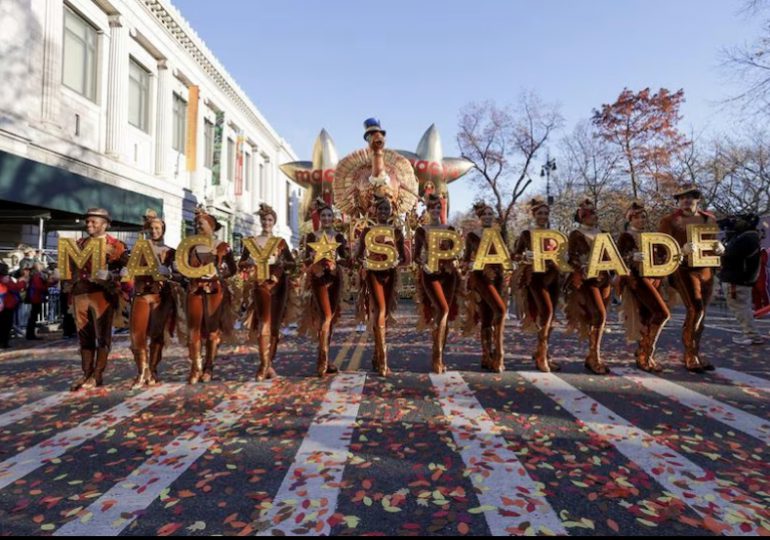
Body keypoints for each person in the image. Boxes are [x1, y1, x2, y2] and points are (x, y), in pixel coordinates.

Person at [659, 183, 725, 372]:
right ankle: (690, 355)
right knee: (695, 308)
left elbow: (713, 243)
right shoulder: (669, 220)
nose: (686, 200)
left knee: (701, 312)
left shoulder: (709, 219)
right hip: (683, 269)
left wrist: (720, 248)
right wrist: (679, 250)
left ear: (697, 199)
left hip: (706, 270)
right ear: (678, 200)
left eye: (691, 196)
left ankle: (695, 351)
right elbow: (661, 248)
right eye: (682, 197)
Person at [66, 208, 129, 391]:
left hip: (102, 295)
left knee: (102, 336)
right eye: (87, 222)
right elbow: (69, 268)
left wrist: (111, 276)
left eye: (94, 221)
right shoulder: (79, 243)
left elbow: (127, 270)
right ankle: (86, 373)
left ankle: (97, 375)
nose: (89, 225)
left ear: (105, 224)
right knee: (84, 336)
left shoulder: (116, 245)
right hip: (80, 294)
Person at [241, 203, 295, 381]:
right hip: (260, 283)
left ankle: (268, 363)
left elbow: (292, 264)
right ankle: (263, 366)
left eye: (270, 219)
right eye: (264, 219)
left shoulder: (280, 242)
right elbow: (240, 263)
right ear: (260, 221)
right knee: (264, 322)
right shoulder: (251, 242)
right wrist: (248, 264)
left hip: (278, 284)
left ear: (274, 222)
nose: (267, 222)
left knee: (275, 327)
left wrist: (281, 264)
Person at [184, 207, 237, 384]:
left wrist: (218, 274)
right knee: (194, 330)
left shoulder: (223, 246)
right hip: (194, 290)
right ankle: (195, 367)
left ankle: (209, 366)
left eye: (202, 223)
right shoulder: (188, 246)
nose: (198, 225)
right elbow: (180, 268)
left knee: (213, 330)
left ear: (211, 226)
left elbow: (233, 270)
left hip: (215, 290)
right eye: (197, 223)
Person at [617, 202, 671, 372]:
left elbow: (663, 256)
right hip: (637, 279)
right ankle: (646, 353)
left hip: (653, 278)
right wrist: (632, 257)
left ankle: (643, 353)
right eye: (637, 217)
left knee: (647, 317)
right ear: (630, 218)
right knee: (662, 314)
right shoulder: (626, 236)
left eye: (643, 217)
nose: (641, 220)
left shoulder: (651, 236)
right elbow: (618, 259)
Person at [356, 195, 406, 377]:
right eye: (380, 209)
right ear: (374, 211)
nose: (383, 212)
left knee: (382, 314)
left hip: (390, 274)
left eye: (387, 209)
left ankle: (377, 356)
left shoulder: (397, 231)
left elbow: (404, 258)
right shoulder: (367, 230)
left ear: (391, 211)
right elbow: (358, 255)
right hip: (373, 273)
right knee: (381, 309)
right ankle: (384, 361)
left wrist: (397, 261)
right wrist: (365, 262)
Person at [127, 210, 177, 389]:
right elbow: (127, 270)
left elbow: (181, 276)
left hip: (161, 297)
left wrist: (170, 273)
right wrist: (124, 272)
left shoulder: (171, 252)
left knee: (157, 335)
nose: (155, 231)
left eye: (158, 228)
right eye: (152, 228)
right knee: (137, 335)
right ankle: (141, 371)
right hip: (141, 295)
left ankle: (152, 370)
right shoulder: (138, 250)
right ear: (147, 229)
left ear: (163, 229)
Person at [512, 197, 562, 372]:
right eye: (540, 213)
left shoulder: (554, 235)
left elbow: (562, 256)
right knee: (546, 312)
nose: (543, 216)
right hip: (535, 277)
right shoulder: (527, 234)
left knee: (551, 316)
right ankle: (541, 355)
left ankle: (543, 353)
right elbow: (515, 255)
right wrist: (526, 256)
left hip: (554, 277)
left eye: (546, 213)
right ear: (534, 215)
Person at [299, 200, 348, 377]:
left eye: (329, 215)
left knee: (330, 319)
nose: (326, 218)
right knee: (326, 315)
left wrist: (338, 258)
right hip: (318, 278)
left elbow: (347, 260)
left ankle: (326, 358)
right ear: (319, 218)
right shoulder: (312, 237)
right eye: (324, 215)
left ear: (333, 218)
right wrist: (312, 259)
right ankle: (323, 359)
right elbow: (304, 261)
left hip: (334, 279)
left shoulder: (340, 237)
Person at [564, 199, 613, 375]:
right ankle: (595, 357)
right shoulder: (575, 234)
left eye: (594, 212)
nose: (593, 215)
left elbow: (612, 254)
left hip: (604, 279)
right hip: (586, 280)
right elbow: (571, 258)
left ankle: (590, 356)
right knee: (599, 314)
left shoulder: (604, 233)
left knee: (599, 319)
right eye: (589, 213)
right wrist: (581, 267)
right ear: (581, 217)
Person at [413, 193, 460, 374]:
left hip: (449, 275)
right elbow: (416, 256)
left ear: (442, 209)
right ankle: (437, 356)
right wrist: (424, 265)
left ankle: (439, 351)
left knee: (445, 315)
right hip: (430, 274)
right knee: (443, 310)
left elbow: (456, 252)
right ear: (427, 210)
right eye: (432, 208)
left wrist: (455, 260)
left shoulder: (450, 229)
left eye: (438, 208)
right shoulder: (421, 230)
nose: (435, 211)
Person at [464, 202, 509, 373]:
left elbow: (506, 255)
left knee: (487, 316)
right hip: (481, 277)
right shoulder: (472, 236)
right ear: (480, 217)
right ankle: (498, 354)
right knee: (501, 310)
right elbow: (466, 260)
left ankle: (485, 355)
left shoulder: (498, 234)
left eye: (491, 214)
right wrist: (470, 265)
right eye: (485, 214)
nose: (488, 217)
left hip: (497, 277)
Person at [718, 214, 764, 345]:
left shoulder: (746, 238)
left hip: (736, 279)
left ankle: (752, 335)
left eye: (739, 221)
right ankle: (750, 334)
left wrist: (723, 247)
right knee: (743, 308)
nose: (736, 223)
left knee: (741, 309)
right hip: (741, 279)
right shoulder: (751, 236)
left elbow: (729, 254)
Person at [0, 263, 25, 349]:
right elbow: (14, 287)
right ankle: (4, 342)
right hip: (7, 303)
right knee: (6, 324)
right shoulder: (5, 279)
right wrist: (22, 281)